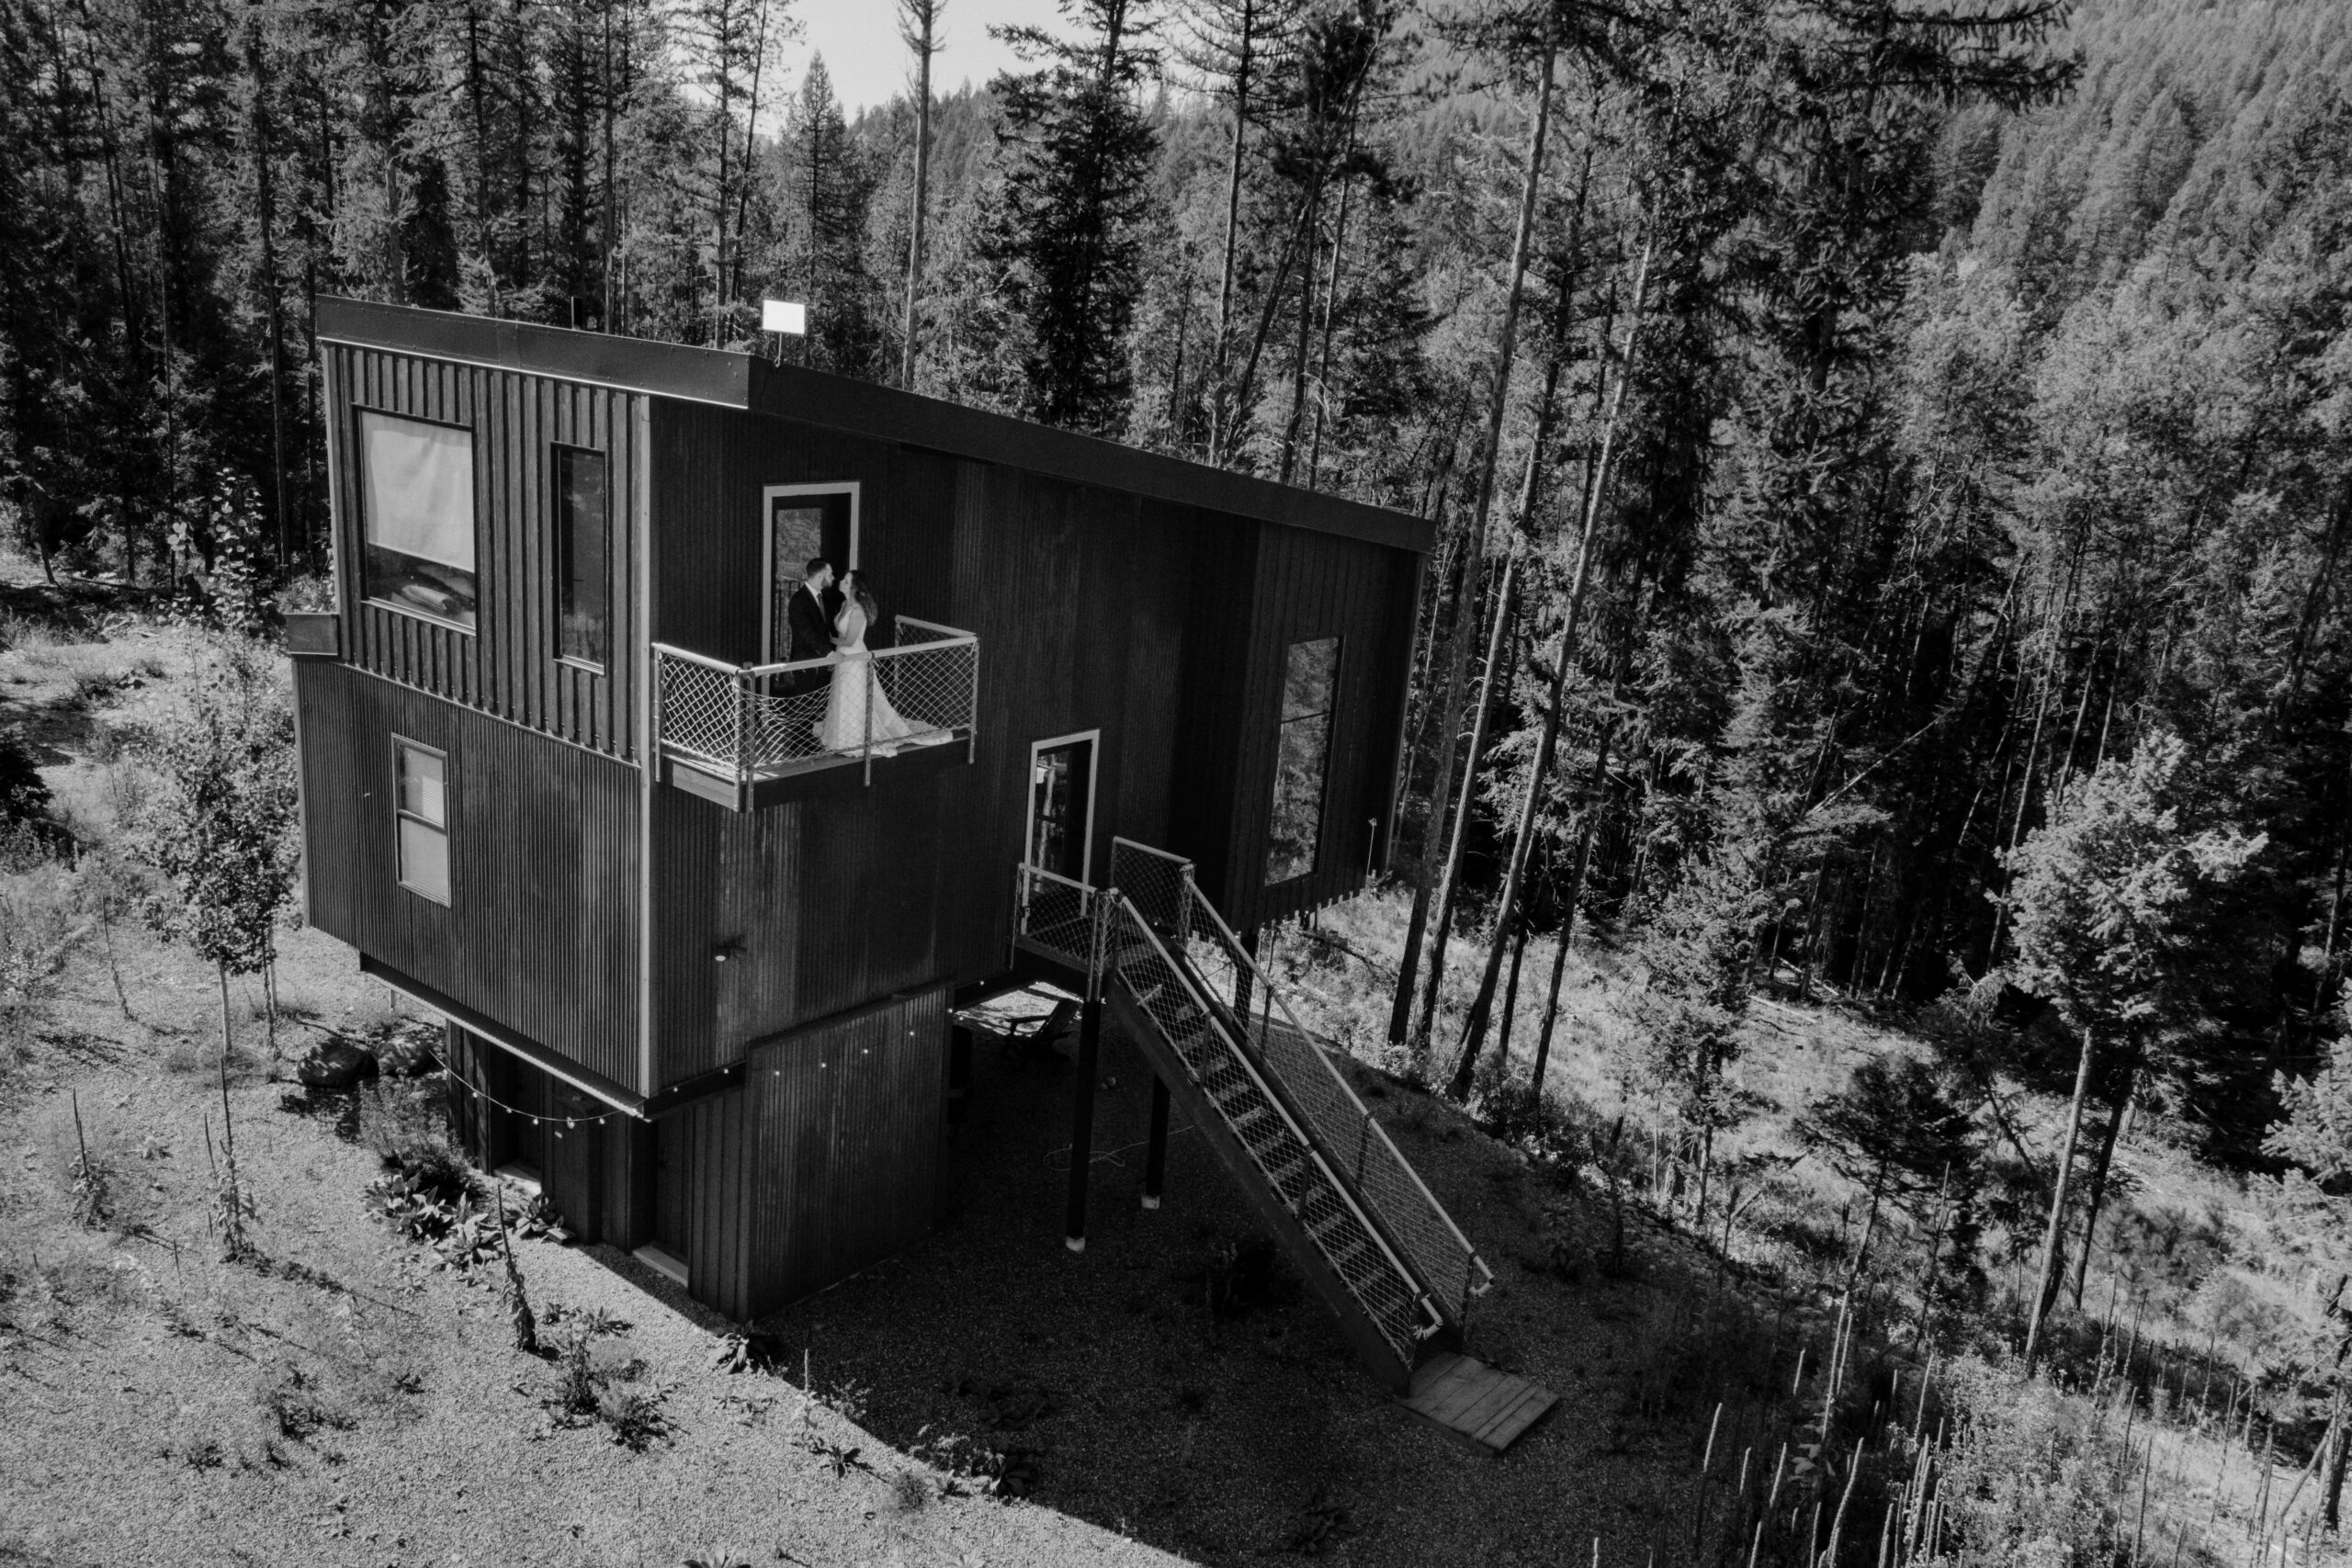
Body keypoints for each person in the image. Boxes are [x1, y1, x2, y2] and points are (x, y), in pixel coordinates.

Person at [820, 570, 930, 754]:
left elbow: (849, 641)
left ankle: (853, 739)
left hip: (854, 657)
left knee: (854, 697)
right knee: (841, 695)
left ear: (854, 587)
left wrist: (826, 640)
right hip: (842, 657)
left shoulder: (858, 610)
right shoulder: (844, 603)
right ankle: (840, 735)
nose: (841, 582)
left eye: (846, 581)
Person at [783, 557, 837, 698]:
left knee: (818, 707)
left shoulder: (824, 597)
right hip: (806, 663)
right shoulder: (798, 601)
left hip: (823, 664)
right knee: (804, 708)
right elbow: (807, 633)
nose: (833, 577)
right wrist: (830, 654)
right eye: (830, 574)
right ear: (819, 576)